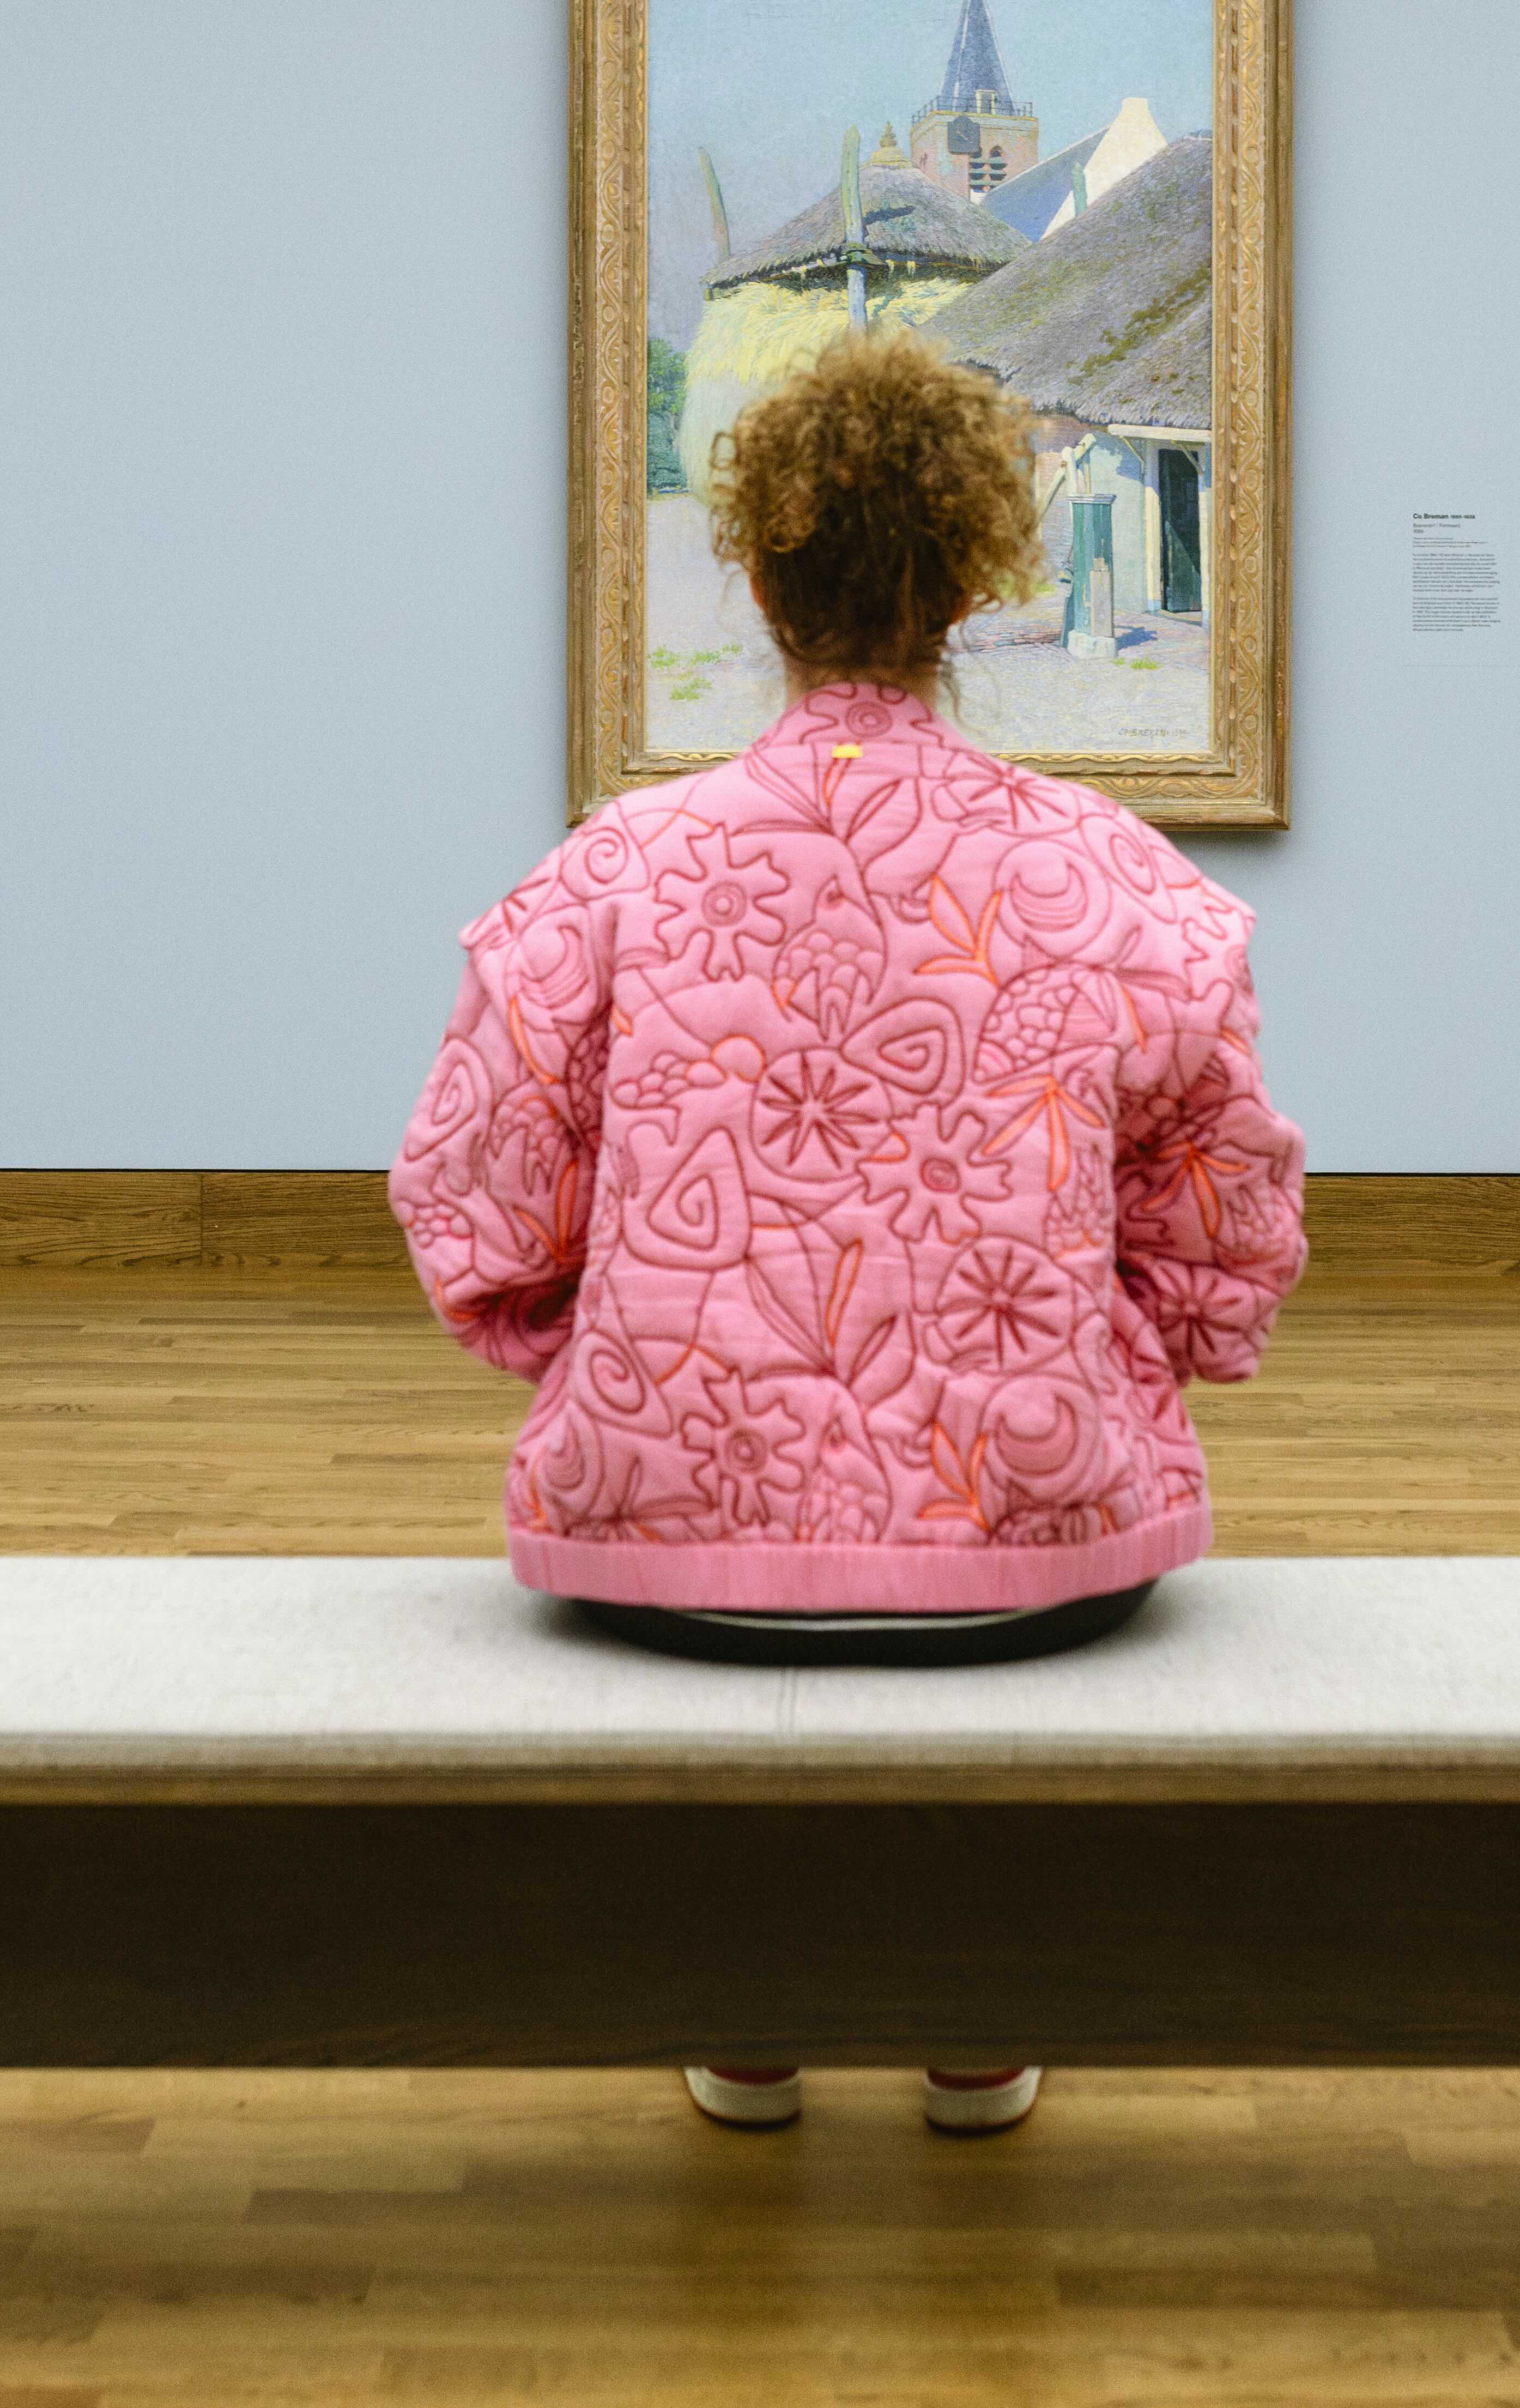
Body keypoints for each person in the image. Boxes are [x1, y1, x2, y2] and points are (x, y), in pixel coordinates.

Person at [389, 328, 1307, 2136]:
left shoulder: (618, 871)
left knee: (747, 1620)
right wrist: (1117, 1341)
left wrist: (615, 1340)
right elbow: (1228, 1235)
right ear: (977, 576)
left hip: (665, 1546)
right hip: (1037, 1545)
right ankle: (973, 2025)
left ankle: (749, 2016)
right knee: (986, 1614)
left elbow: (475, 1210)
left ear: (752, 566)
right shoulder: (1118, 882)